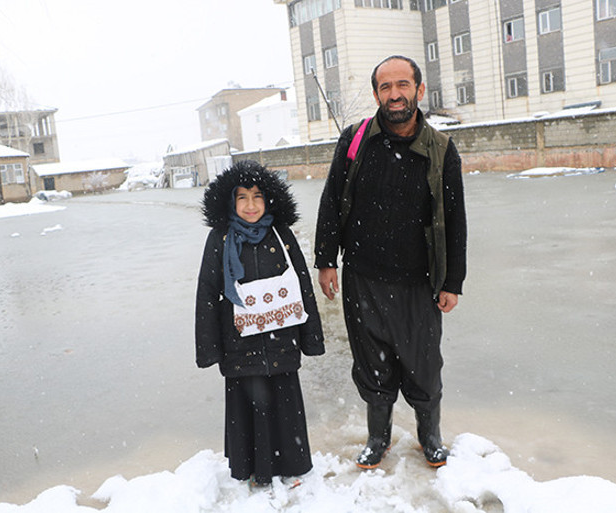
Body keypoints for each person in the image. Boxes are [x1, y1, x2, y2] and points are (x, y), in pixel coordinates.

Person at [314, 55, 467, 469]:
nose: (394, 94)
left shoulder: (440, 149)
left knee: (423, 365)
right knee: (372, 365)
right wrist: (326, 259)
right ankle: (378, 437)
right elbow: (331, 201)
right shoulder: (356, 139)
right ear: (377, 93)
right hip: (363, 276)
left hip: (419, 282)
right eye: (385, 86)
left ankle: (429, 435)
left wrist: (452, 281)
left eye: (403, 85)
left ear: (419, 90)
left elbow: (455, 220)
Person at [195, 160, 325, 487]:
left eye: (257, 196)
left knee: (284, 402)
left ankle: (292, 466)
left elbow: (302, 284)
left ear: (269, 199)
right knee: (248, 403)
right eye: (242, 198)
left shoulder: (281, 235)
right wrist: (209, 348)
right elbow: (208, 293)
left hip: (282, 338)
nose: (250, 206)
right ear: (230, 201)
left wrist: (311, 338)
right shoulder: (219, 238)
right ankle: (253, 468)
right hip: (239, 343)